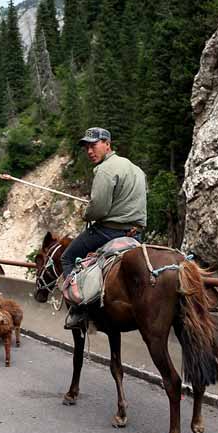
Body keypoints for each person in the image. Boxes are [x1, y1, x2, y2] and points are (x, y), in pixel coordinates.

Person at [62, 127, 147, 329]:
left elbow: (99, 208)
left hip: (108, 231)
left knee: (67, 257)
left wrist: (86, 213)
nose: (90, 151)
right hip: (136, 233)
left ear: (107, 144)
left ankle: (77, 309)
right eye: (87, 148)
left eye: (94, 145)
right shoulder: (136, 169)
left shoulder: (105, 169)